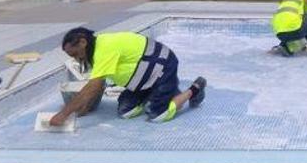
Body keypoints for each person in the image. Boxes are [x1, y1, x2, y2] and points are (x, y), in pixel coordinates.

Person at [49, 27, 206, 126]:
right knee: (126, 112)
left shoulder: (104, 49)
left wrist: (64, 114)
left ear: (83, 42)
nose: (77, 59)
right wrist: (85, 106)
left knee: (158, 115)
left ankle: (194, 89)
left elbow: (94, 86)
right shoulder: (95, 52)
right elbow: (99, 83)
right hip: (142, 80)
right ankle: (159, 94)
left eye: (75, 54)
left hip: (163, 68)